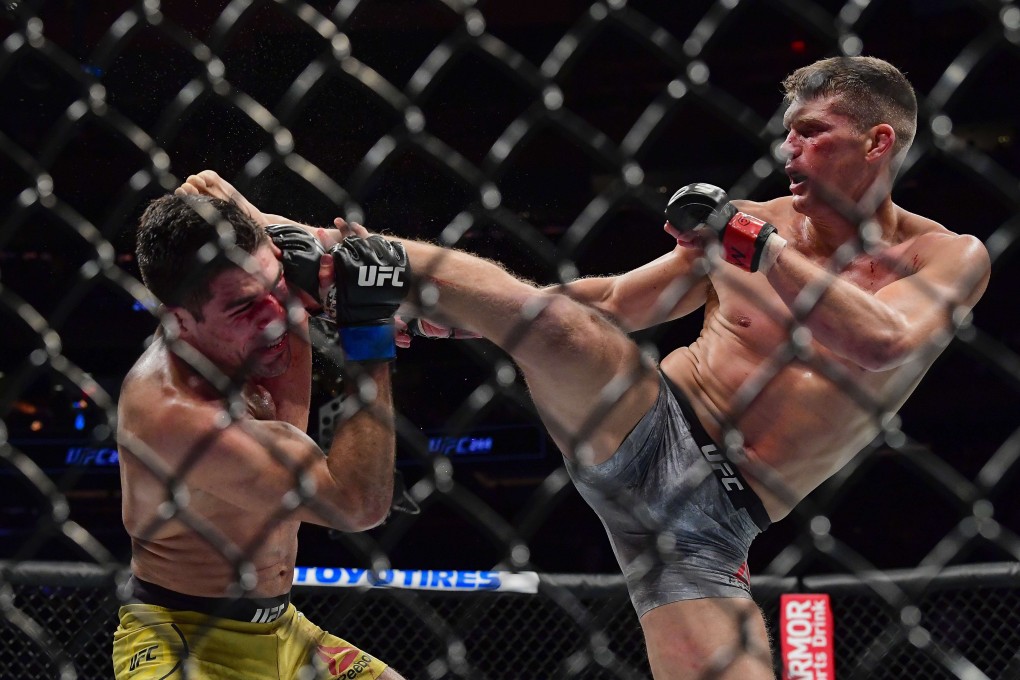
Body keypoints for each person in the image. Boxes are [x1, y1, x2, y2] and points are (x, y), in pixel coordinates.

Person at [183, 55, 990, 679]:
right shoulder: (754, 220)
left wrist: (757, 246)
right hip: (647, 422)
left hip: (711, 532)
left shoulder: (945, 257)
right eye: (788, 131)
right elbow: (618, 300)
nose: (789, 150)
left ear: (878, 140)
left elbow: (882, 341)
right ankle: (310, 245)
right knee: (556, 321)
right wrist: (451, 326)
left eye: (812, 131)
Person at [113, 192, 410, 679]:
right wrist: (369, 330)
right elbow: (358, 504)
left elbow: (289, 433)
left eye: (276, 286)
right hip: (184, 639)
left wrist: (363, 288)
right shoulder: (175, 413)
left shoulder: (263, 317)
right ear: (179, 321)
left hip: (288, 631)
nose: (275, 316)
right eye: (243, 307)